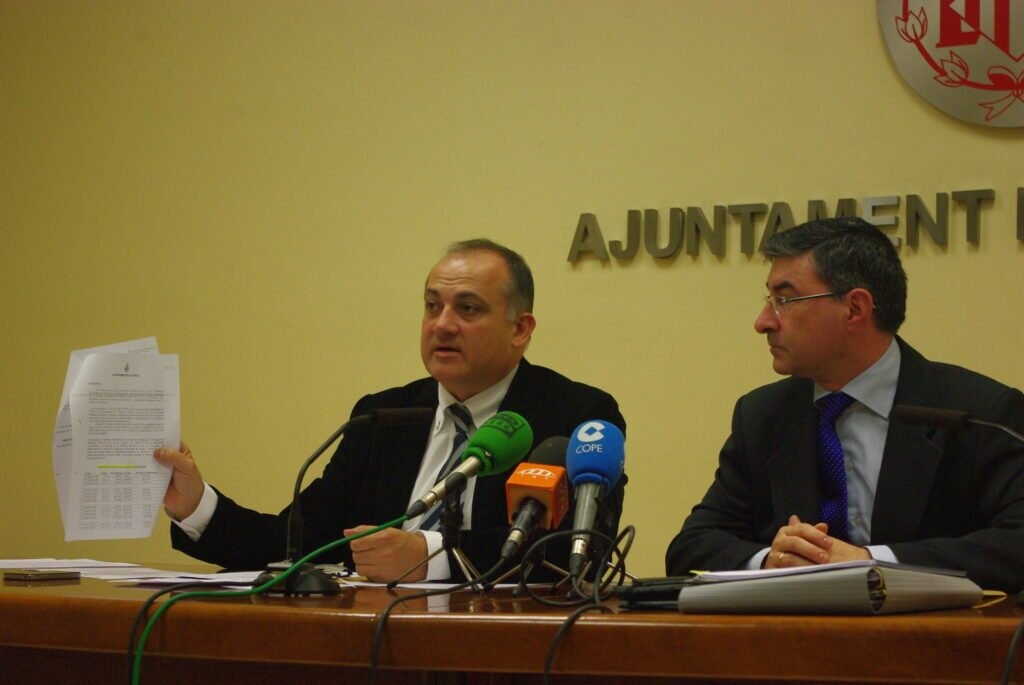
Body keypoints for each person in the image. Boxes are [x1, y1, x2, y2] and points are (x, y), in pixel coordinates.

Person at [156, 239, 626, 582]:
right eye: (432, 306)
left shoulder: (576, 415)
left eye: (467, 309)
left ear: (520, 329)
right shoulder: (382, 416)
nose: (442, 325)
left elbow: (573, 551)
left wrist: (430, 555)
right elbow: (299, 542)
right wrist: (197, 505)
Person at [665, 217, 1024, 592]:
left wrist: (871, 563)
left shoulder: (980, 412)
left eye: (784, 300)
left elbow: (1017, 543)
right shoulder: (763, 415)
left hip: (934, 628)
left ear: (855, 308)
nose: (763, 322)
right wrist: (773, 561)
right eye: (768, 301)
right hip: (791, 629)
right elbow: (692, 546)